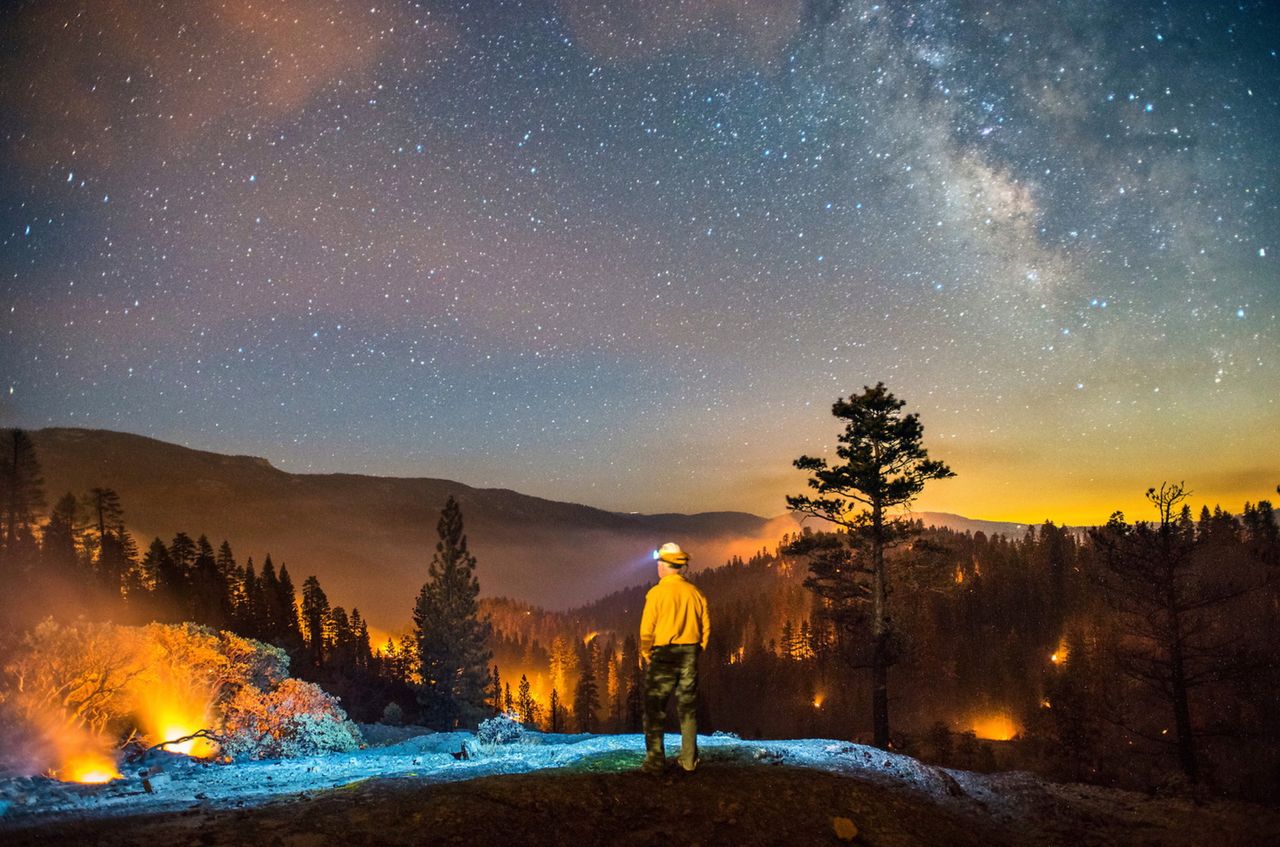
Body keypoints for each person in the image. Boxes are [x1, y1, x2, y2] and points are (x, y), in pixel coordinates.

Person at [640, 541, 710, 773]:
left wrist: (646, 652)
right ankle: (689, 760)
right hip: (689, 653)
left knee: (654, 708)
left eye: (659, 561)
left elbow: (647, 629)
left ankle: (655, 761)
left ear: (665, 565)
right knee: (687, 708)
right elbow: (705, 628)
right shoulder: (695, 593)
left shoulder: (657, 593)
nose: (658, 565)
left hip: (663, 654)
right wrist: (696, 649)